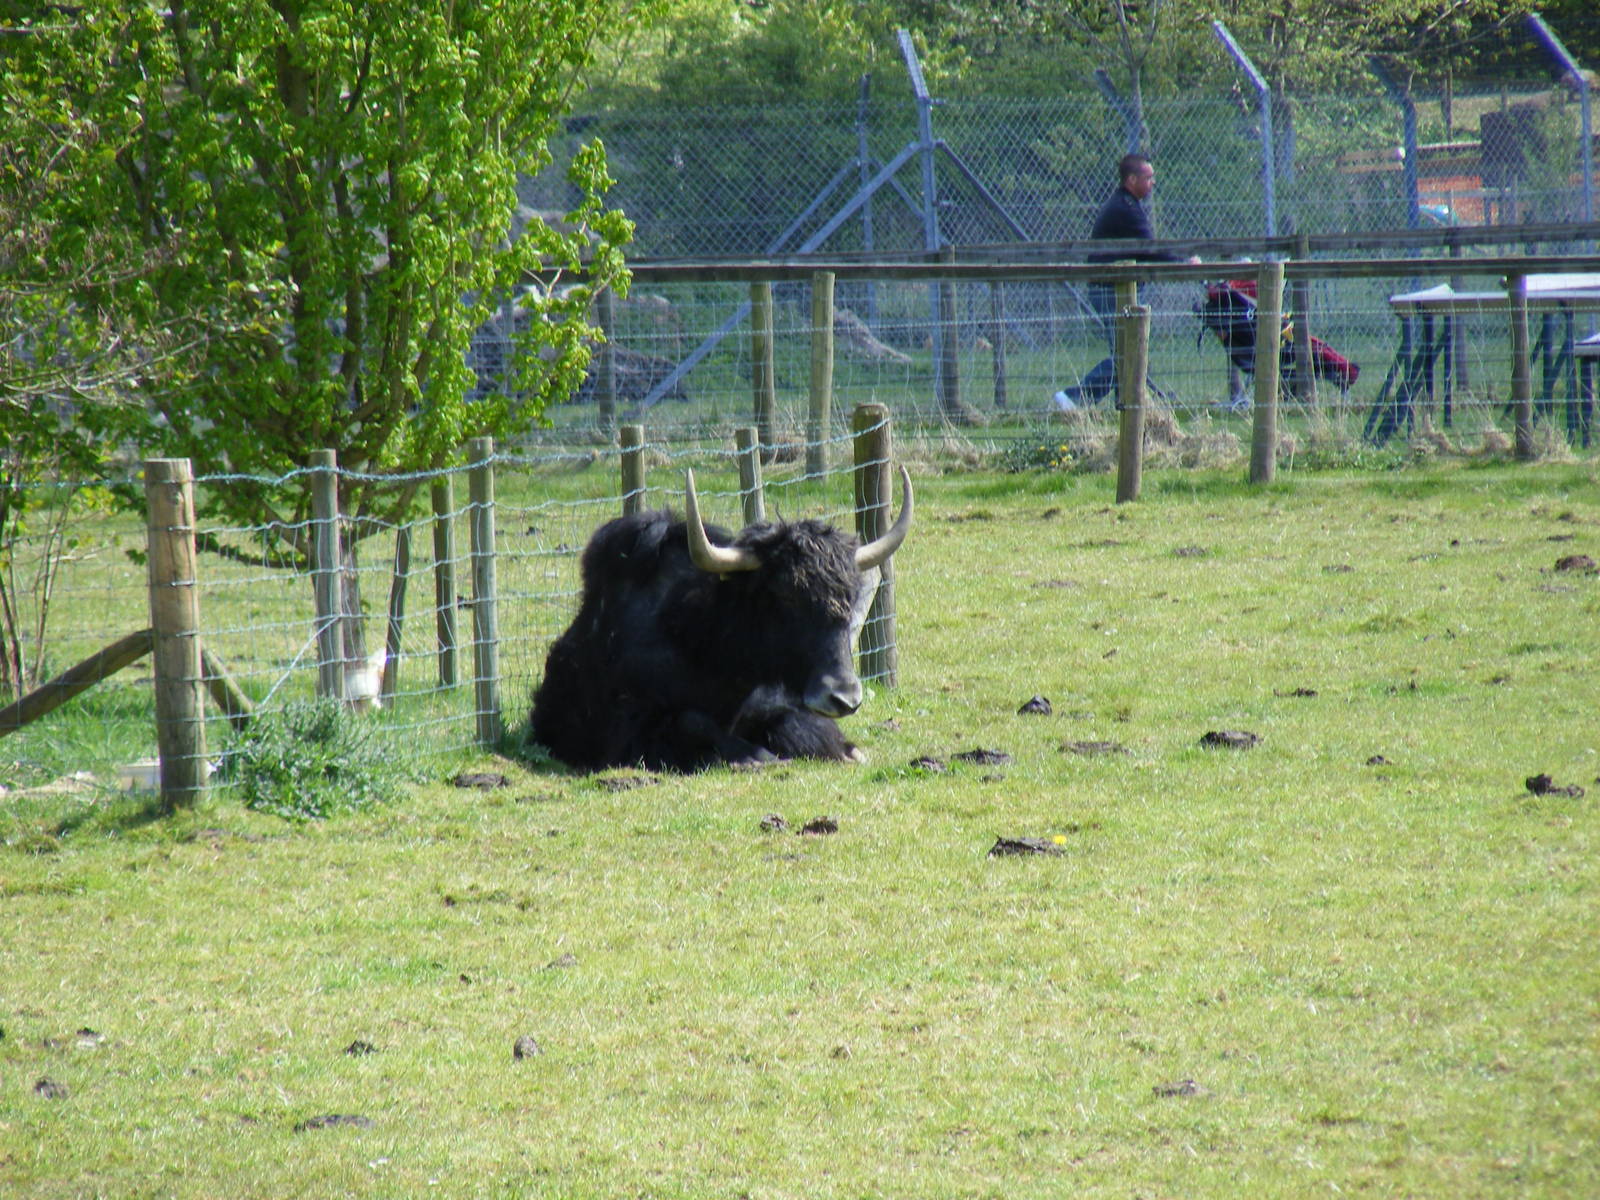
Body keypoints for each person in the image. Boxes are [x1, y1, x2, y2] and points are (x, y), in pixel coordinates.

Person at [1055, 152, 1199, 409]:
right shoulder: (1126, 209)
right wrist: (1184, 263)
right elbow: (1149, 249)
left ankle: (1127, 405)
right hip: (1111, 290)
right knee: (1127, 353)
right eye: (1148, 177)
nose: (1153, 182)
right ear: (1131, 179)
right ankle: (1075, 397)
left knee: (1128, 350)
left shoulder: (1126, 205)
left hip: (1116, 288)